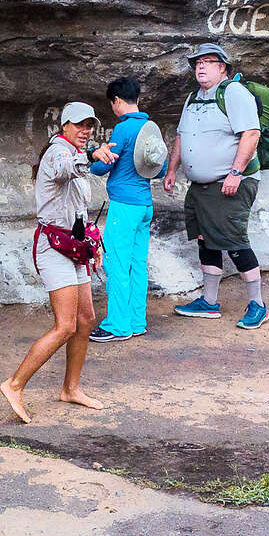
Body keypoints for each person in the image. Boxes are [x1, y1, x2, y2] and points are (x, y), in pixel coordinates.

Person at [0, 102, 106, 424]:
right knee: (65, 326)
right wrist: (90, 156)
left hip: (74, 248)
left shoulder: (73, 154)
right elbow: (63, 168)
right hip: (53, 248)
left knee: (86, 319)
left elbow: (76, 207)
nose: (85, 131)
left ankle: (70, 388)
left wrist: (91, 243)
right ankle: (14, 384)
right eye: (79, 125)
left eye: (90, 125)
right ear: (65, 127)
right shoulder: (58, 152)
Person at [163, 43, 268, 329]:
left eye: (208, 62)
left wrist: (236, 172)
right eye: (197, 62)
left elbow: (251, 132)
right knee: (205, 241)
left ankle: (258, 304)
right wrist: (173, 169)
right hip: (201, 187)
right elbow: (182, 136)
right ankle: (209, 303)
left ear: (223, 67)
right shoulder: (193, 98)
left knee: (233, 241)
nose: (200, 66)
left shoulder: (233, 93)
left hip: (229, 183)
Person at [88, 76, 166, 343]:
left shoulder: (123, 129)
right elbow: (161, 169)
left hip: (124, 205)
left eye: (113, 104)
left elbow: (103, 165)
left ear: (117, 101)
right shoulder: (150, 128)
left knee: (116, 263)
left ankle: (118, 325)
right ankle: (136, 320)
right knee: (137, 264)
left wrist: (94, 157)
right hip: (145, 204)